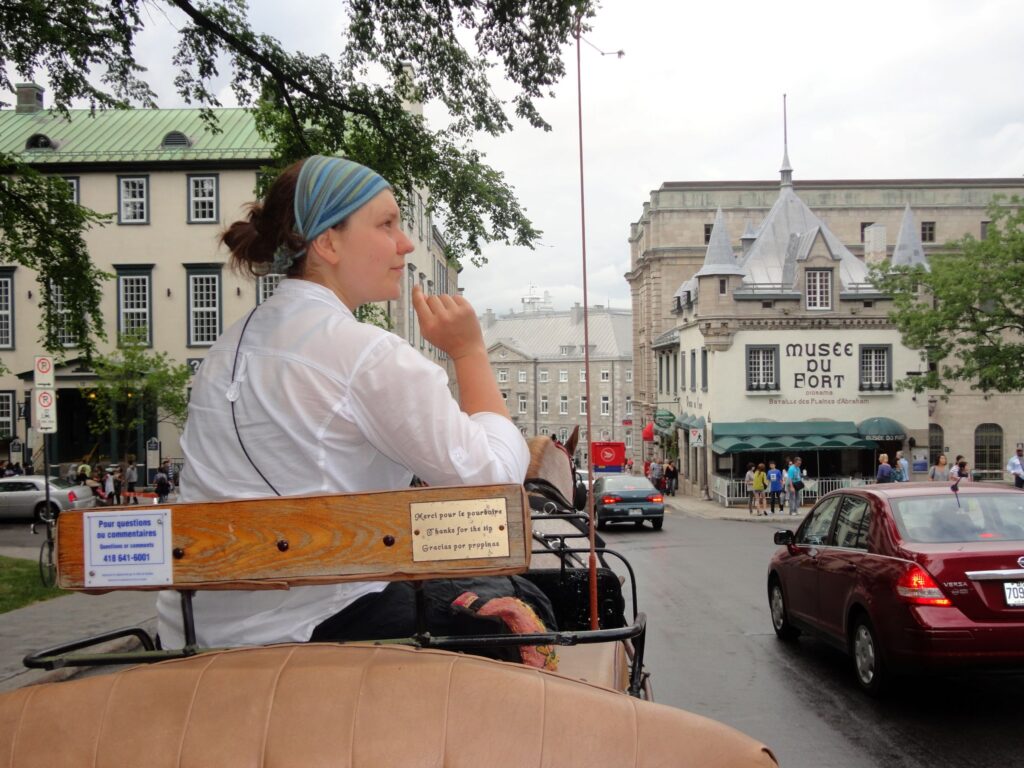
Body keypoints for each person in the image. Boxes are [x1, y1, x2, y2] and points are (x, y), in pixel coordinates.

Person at [155, 156, 542, 655]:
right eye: (386, 224)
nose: (404, 243)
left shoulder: (227, 348)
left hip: (195, 626)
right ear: (327, 242)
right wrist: (469, 352)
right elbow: (491, 485)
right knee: (537, 603)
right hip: (312, 619)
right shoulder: (366, 354)